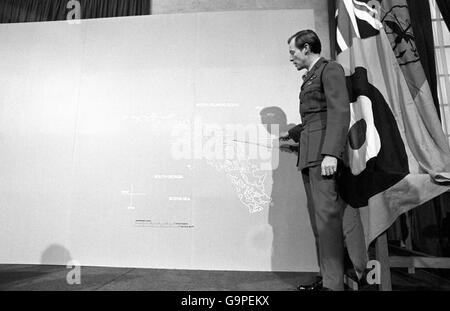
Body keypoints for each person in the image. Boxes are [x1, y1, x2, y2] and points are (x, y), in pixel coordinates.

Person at [280, 29, 350, 291]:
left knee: (327, 220)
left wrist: (332, 152)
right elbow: (315, 117)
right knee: (318, 220)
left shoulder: (329, 69)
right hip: (310, 155)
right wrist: (292, 134)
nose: (291, 58)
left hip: (323, 156)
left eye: (293, 52)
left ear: (307, 49)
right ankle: (327, 277)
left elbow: (339, 110)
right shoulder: (310, 76)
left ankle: (333, 285)